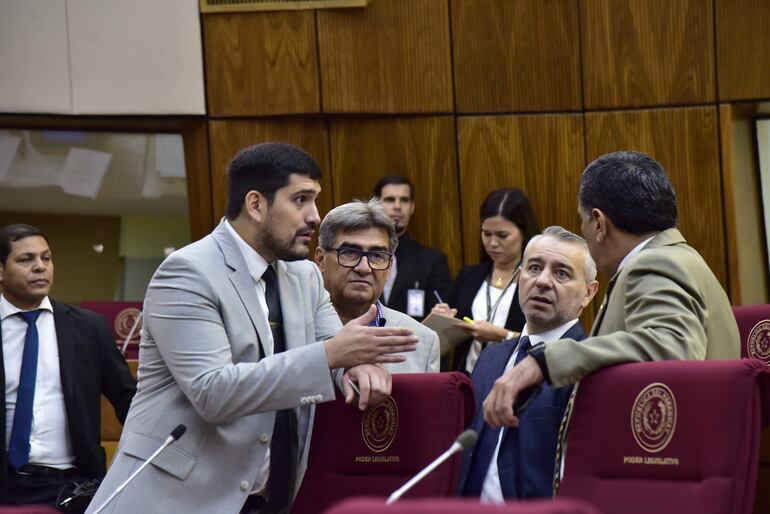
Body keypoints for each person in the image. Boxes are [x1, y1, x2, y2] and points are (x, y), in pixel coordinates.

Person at [88, 143, 419, 514]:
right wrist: (336, 355)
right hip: (175, 499)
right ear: (256, 205)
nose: (315, 216)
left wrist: (361, 365)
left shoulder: (304, 274)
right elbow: (213, 392)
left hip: (268, 499)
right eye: (301, 200)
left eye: (315, 200)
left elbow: (336, 348)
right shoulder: (186, 272)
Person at [483, 150, 740, 437]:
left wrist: (545, 361)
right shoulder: (681, 257)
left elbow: (673, 346)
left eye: (582, 221)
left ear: (599, 223)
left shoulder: (655, 263)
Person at [457, 226, 598, 501]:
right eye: (534, 268)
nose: (543, 281)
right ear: (519, 277)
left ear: (589, 293)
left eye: (561, 273)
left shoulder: (588, 366)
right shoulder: (491, 357)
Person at [0, 224, 136, 507]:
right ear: (0, 271)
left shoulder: (89, 328)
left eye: (46, 258)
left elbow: (130, 401)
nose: (40, 267)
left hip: (71, 486)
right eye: (26, 260)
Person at [316, 199, 440, 373]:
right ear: (321, 260)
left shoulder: (422, 341)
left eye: (377, 256)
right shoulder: (292, 330)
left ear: (389, 266)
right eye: (350, 253)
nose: (364, 268)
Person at [432, 188, 540, 373]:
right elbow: (442, 336)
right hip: (466, 379)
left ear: (523, 233)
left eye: (502, 235)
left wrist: (502, 335)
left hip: (515, 381)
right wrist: (441, 317)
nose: (492, 243)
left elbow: (549, 341)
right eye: (486, 234)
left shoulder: (539, 281)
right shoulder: (468, 275)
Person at [373, 175, 451, 321]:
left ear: (412, 207)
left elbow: (441, 314)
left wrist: (442, 316)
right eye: (390, 200)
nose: (397, 206)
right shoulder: (361, 258)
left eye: (404, 200)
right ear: (376, 206)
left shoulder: (432, 261)